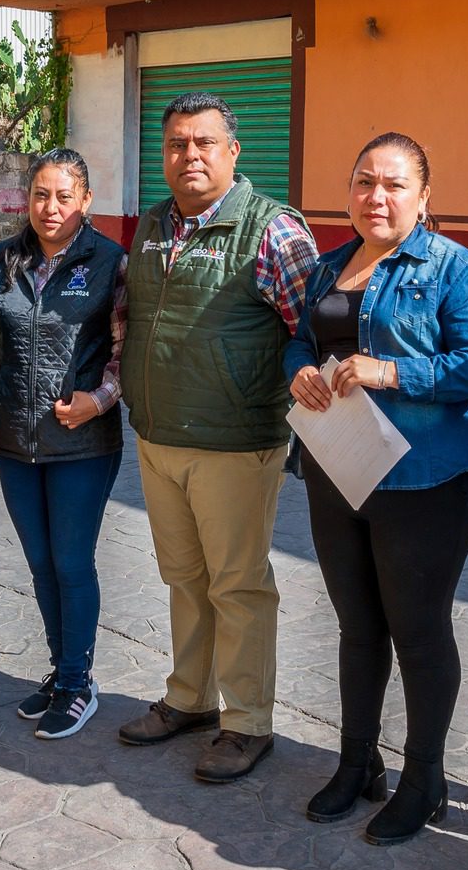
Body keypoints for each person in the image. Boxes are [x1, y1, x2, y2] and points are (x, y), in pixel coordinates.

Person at [284, 134, 468, 845]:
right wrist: (300, 369)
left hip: (425, 478)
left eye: (394, 184)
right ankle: (358, 763)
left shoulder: (453, 268)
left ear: (424, 196)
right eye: (363, 182)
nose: (376, 196)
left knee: (417, 628)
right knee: (357, 625)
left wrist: (390, 372)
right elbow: (298, 338)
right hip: (338, 465)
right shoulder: (328, 266)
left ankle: (424, 779)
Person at [116, 91, 318, 783]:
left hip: (235, 441)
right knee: (184, 579)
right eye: (177, 143)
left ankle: (247, 721)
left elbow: (310, 335)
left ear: (233, 152)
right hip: (159, 434)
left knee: (238, 585)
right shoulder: (149, 225)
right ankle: (190, 698)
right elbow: (131, 324)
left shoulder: (273, 231)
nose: (189, 155)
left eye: (204, 142)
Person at [0, 148, 128, 740]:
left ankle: (77, 683)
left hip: (82, 444)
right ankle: (62, 671)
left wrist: (98, 401)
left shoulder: (111, 262)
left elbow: (124, 353)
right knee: (39, 563)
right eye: (41, 194)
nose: (51, 207)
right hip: (14, 441)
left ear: (86, 200)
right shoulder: (2, 261)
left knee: (71, 561)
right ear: (26, 199)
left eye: (64, 196)